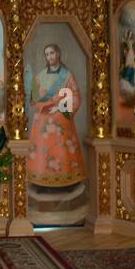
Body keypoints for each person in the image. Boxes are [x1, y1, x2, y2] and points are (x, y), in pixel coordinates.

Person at [27, 43, 85, 187]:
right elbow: (33, 98)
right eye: (47, 54)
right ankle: (41, 180)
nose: (50, 56)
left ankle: (66, 181)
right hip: (44, 116)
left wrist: (60, 108)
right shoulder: (40, 75)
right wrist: (40, 102)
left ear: (58, 54)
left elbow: (76, 96)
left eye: (52, 53)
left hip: (61, 116)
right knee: (40, 126)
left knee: (60, 135)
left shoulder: (67, 75)